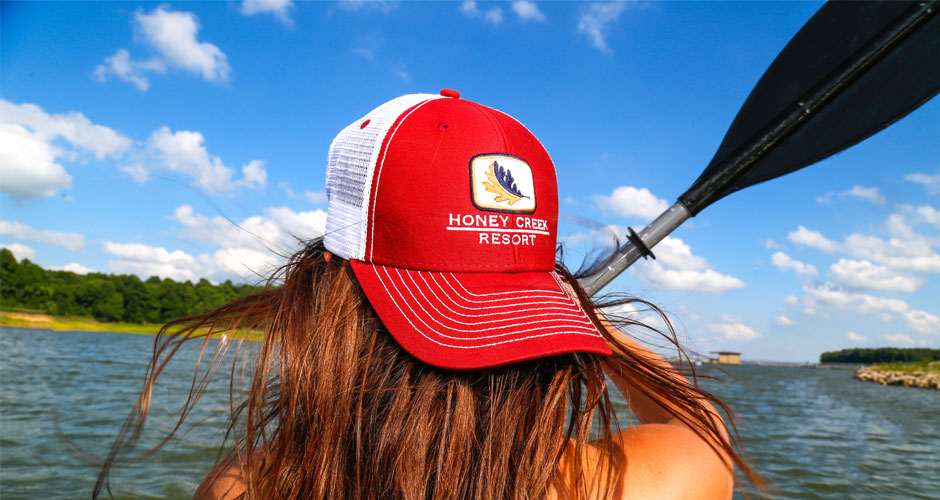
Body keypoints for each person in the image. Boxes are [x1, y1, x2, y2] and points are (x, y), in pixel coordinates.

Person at [96, 90, 759, 500]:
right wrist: (583, 322)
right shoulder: (646, 481)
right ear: (549, 308)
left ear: (328, 288)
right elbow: (699, 424)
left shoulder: (245, 487)